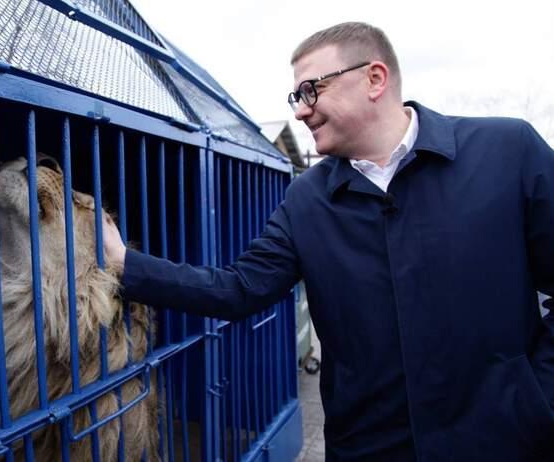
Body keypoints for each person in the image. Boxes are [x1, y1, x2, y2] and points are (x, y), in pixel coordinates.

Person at [102, 21, 554, 462]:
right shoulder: (306, 198)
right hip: (367, 447)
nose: (300, 109)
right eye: (296, 97)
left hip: (506, 443)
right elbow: (238, 288)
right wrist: (126, 263)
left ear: (374, 79)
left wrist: (538, 403)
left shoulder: (508, 151)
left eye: (310, 90)